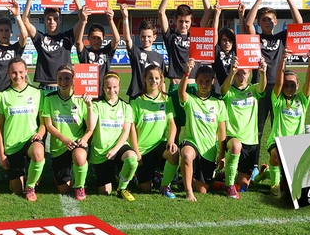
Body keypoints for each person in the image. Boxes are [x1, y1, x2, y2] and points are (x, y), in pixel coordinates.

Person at [245, 0, 304, 175]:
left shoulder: (281, 38)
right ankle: (253, 166)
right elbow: (247, 24)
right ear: (260, 23)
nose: (267, 22)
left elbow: (299, 24)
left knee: (280, 129)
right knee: (258, 130)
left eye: (270, 19)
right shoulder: (256, 38)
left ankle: (284, 163)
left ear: (276, 21)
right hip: (261, 88)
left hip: (280, 90)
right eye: (263, 19)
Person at [158, 0, 211, 127]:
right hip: (175, 86)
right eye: (180, 21)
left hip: (194, 86)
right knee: (176, 126)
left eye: (187, 21)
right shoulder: (170, 36)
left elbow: (208, 11)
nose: (184, 24)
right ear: (175, 21)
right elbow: (161, 12)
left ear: (191, 21)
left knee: (195, 125)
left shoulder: (196, 35)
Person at [265, 49, 310, 198]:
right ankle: (274, 186)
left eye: (292, 85)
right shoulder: (277, 100)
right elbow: (279, 82)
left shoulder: (302, 100)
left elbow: (309, 85)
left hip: (295, 144)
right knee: (276, 157)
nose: (288, 87)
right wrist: (282, 61)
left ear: (297, 86)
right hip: (277, 141)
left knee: (289, 186)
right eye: (286, 85)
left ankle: (266, 172)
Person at [0, 57, 45, 201]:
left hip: (30, 140)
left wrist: (40, 134)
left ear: (26, 71)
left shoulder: (37, 93)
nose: (18, 76)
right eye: (14, 73)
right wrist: (1, 153)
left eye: (21, 72)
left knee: (38, 152)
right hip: (12, 144)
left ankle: (30, 186)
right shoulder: (2, 95)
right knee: (16, 190)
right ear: (8, 73)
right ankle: (30, 175)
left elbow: (43, 123)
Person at [42, 64, 94, 200]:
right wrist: (64, 140)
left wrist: (89, 106)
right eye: (60, 78)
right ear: (56, 79)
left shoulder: (81, 99)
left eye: (67, 78)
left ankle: (80, 186)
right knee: (64, 189)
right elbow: (49, 125)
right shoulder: (49, 98)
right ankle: (63, 176)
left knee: (79, 157)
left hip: (77, 143)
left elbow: (90, 128)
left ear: (74, 80)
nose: (63, 82)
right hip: (59, 146)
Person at [178, 59, 227, 202]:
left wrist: (222, 154)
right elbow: (181, 93)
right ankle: (188, 191)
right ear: (196, 81)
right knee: (187, 154)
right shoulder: (191, 100)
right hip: (191, 142)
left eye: (207, 81)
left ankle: (188, 177)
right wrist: (186, 72)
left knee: (202, 190)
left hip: (208, 150)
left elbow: (222, 131)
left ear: (213, 81)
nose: (204, 84)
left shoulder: (219, 104)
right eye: (200, 81)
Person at [21, 0, 87, 91]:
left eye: (55, 19)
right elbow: (25, 21)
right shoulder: (40, 38)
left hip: (64, 87)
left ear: (60, 20)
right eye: (49, 19)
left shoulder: (67, 37)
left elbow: (82, 18)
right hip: (44, 87)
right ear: (45, 20)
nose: (52, 22)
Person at [219, 57, 267, 198]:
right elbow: (223, 89)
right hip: (232, 138)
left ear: (250, 74)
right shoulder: (229, 91)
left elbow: (262, 87)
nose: (241, 77)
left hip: (250, 141)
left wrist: (263, 73)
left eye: (244, 73)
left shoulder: (253, 89)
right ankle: (228, 186)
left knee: (243, 187)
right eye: (238, 73)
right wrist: (231, 73)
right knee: (235, 146)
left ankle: (221, 179)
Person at [130, 64, 179, 198]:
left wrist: (171, 140)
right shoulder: (137, 102)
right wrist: (136, 151)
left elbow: (172, 124)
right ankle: (138, 177)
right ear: (144, 79)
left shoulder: (166, 99)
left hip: (159, 146)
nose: (154, 81)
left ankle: (165, 186)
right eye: (150, 78)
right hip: (143, 149)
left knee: (174, 154)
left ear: (161, 80)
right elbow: (131, 129)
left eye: (157, 78)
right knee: (145, 188)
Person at [88, 72, 139, 199]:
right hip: (101, 151)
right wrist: (89, 106)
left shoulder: (126, 107)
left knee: (132, 159)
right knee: (105, 191)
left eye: (115, 87)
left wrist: (115, 150)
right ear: (103, 88)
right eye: (108, 87)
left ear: (120, 86)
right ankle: (109, 174)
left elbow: (126, 132)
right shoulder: (97, 105)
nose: (112, 90)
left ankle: (122, 188)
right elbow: (91, 127)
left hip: (119, 147)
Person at [122, 4, 164, 100]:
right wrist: (125, 17)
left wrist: (163, 97)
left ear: (154, 37)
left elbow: (162, 81)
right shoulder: (136, 52)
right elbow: (127, 39)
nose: (146, 39)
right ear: (139, 37)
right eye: (143, 36)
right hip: (137, 95)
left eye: (149, 36)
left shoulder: (159, 57)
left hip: (153, 96)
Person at [75, 7, 121, 81]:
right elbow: (78, 42)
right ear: (88, 38)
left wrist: (111, 20)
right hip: (89, 90)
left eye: (99, 38)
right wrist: (83, 21)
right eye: (93, 38)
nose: (96, 41)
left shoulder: (106, 52)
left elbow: (116, 39)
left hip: (104, 90)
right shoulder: (85, 53)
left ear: (103, 38)